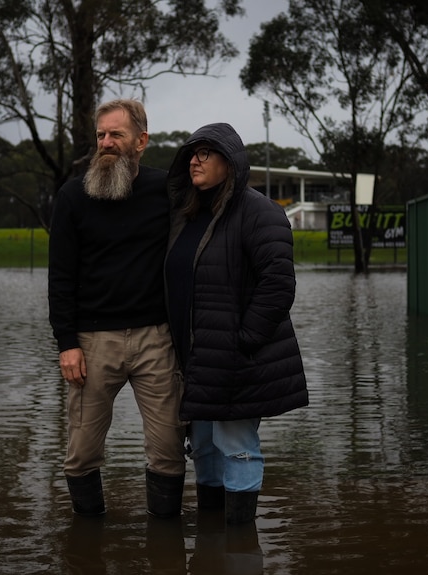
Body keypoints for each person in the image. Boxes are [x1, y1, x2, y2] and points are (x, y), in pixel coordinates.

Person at [164, 123, 309, 525]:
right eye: (192, 152)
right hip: (197, 358)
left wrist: (244, 340)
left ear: (231, 163)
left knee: (236, 442)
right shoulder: (185, 215)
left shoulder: (261, 212)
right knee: (205, 445)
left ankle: (241, 544)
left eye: (206, 153)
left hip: (237, 356)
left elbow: (278, 286)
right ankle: (213, 537)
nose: (195, 159)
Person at [48, 99, 186, 518]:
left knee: (168, 451)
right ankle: (88, 539)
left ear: (141, 141)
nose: (106, 143)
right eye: (101, 135)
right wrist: (67, 343)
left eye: (117, 135)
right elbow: (59, 277)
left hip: (156, 339)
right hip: (92, 343)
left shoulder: (168, 190)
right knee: (82, 453)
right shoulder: (72, 196)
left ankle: (166, 547)